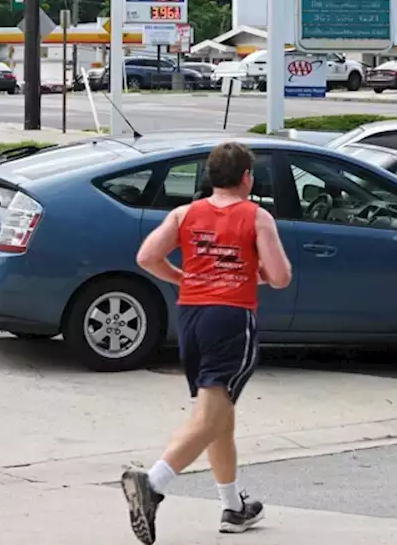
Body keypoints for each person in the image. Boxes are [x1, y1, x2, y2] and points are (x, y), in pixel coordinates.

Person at [123, 141, 293, 543]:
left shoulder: (184, 214)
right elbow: (281, 275)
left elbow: (146, 257)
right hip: (231, 316)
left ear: (211, 177)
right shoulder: (256, 216)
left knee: (220, 414)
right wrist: (258, 274)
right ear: (247, 178)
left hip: (192, 317)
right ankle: (154, 482)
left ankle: (233, 507)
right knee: (212, 416)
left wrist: (184, 278)